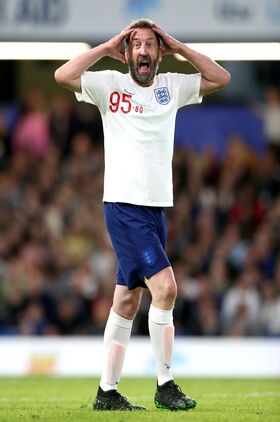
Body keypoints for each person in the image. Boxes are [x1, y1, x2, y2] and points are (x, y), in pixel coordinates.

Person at [55, 18, 230, 412]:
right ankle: (165, 385)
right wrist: (108, 45)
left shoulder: (172, 84)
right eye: (137, 45)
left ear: (159, 50)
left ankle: (107, 392)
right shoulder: (109, 85)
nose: (144, 51)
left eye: (151, 44)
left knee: (127, 302)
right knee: (165, 289)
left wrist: (178, 46)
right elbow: (63, 74)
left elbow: (221, 78)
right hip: (124, 204)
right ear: (128, 53)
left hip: (155, 208)